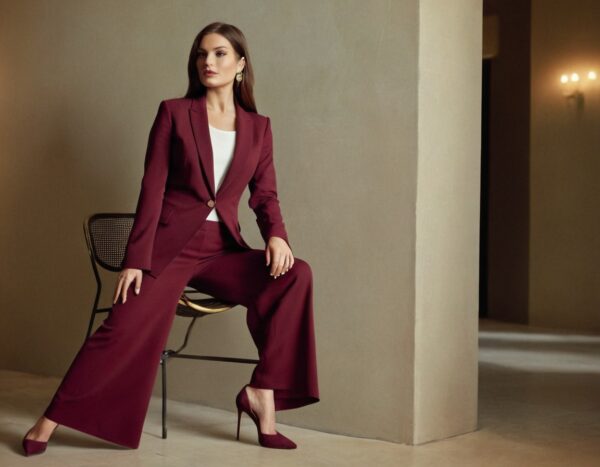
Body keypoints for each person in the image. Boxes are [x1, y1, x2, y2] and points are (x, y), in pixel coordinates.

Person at [22, 21, 319, 456]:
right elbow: (152, 189)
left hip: (223, 251)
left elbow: (266, 195)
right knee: (121, 326)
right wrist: (136, 259)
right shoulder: (175, 113)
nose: (208, 62)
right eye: (202, 54)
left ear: (240, 64)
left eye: (219, 53)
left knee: (296, 276)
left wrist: (277, 237)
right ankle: (48, 422)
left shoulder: (259, 128)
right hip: (170, 248)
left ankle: (263, 395)